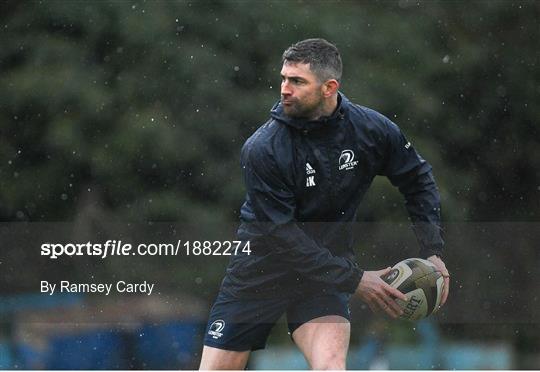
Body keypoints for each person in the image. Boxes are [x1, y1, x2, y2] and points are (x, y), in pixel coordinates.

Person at [199, 38, 449, 370]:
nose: (285, 89)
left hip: (322, 278)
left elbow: (417, 179)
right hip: (259, 272)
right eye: (284, 78)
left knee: (331, 366)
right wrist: (356, 279)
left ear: (329, 87)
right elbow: (281, 235)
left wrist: (432, 249)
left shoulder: (371, 130)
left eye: (297, 81)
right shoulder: (263, 148)